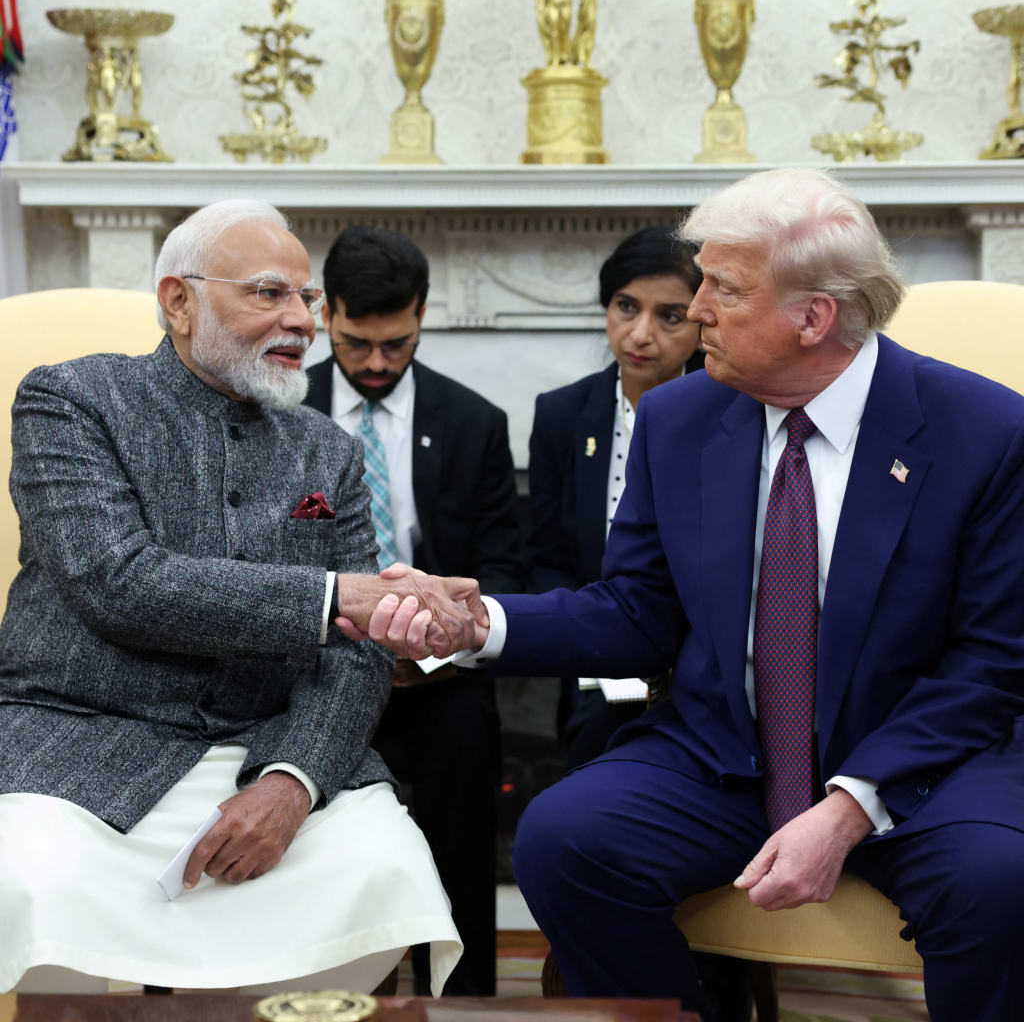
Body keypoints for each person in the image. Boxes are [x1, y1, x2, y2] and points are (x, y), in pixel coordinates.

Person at [350, 168, 1024, 1022]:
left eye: (724, 288)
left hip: (924, 765)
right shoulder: (680, 418)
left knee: (998, 888)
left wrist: (853, 805)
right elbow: (638, 611)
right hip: (727, 756)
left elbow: (992, 665)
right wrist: (479, 622)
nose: (694, 309)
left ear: (813, 317)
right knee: (563, 843)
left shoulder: (986, 433)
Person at [0, 199, 486, 996]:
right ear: (178, 301)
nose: (301, 320)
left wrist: (293, 781)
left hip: (266, 743)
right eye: (268, 293)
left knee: (382, 874)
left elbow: (355, 656)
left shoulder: (326, 450)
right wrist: (336, 596)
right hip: (78, 741)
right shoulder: (73, 401)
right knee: (34, 884)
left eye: (308, 300)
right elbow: (117, 581)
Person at [305, 224, 522, 996]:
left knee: (468, 737)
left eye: (394, 344)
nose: (373, 363)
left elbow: (503, 570)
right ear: (325, 313)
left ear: (422, 315)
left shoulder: (474, 424)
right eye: (357, 341)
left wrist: (439, 642)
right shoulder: (280, 412)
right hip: (309, 665)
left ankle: (460, 996)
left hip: (436, 676)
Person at [527, 225, 704, 770]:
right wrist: (591, 644)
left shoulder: (727, 411)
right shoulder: (562, 414)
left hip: (699, 651)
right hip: (595, 648)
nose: (640, 334)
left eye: (669, 317)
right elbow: (546, 558)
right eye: (626, 307)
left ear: (702, 321)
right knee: (597, 740)